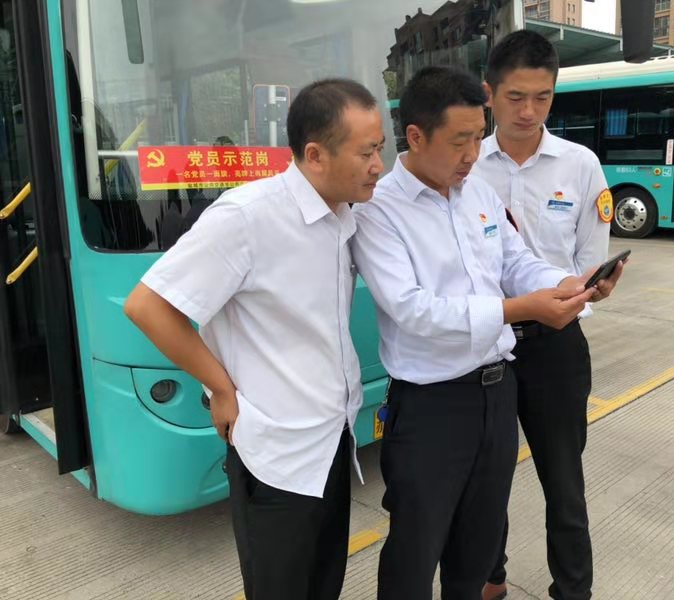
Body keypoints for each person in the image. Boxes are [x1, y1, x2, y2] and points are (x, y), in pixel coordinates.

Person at [351, 65, 619, 600]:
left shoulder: (476, 192)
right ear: (416, 136)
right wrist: (519, 309)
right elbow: (413, 309)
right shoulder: (378, 208)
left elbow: (515, 261)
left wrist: (567, 283)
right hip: (432, 405)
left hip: (498, 393)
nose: (473, 154)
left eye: (478, 136)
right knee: (416, 548)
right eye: (460, 141)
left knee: (477, 547)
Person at [123, 78, 385, 600]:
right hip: (276, 456)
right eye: (366, 153)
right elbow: (148, 307)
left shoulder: (342, 214)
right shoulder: (247, 217)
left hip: (333, 439)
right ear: (315, 154)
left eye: (380, 148)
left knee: (324, 584)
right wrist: (220, 388)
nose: (378, 165)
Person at [472, 30, 615, 600]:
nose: (529, 111)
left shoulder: (580, 165)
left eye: (542, 97)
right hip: (486, 343)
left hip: (557, 345)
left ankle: (573, 590)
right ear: (489, 94)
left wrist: (591, 291)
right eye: (515, 97)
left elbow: (588, 261)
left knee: (563, 480)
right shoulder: (466, 165)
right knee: (487, 479)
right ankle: (490, 577)